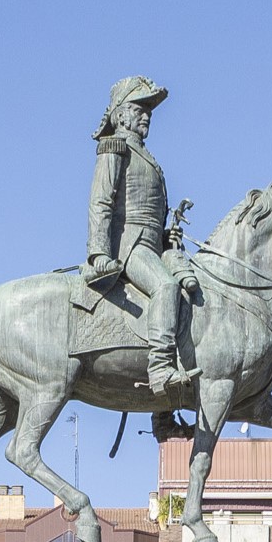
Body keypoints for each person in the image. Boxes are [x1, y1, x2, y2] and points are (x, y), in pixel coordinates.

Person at [79, 74, 194, 393]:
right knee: (166, 286)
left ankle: (165, 409)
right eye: (139, 109)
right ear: (120, 115)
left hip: (153, 246)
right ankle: (160, 368)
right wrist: (99, 253)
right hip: (130, 246)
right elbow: (101, 201)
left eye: (148, 110)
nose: (146, 115)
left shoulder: (148, 157)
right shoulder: (114, 148)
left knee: (193, 288)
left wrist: (167, 237)